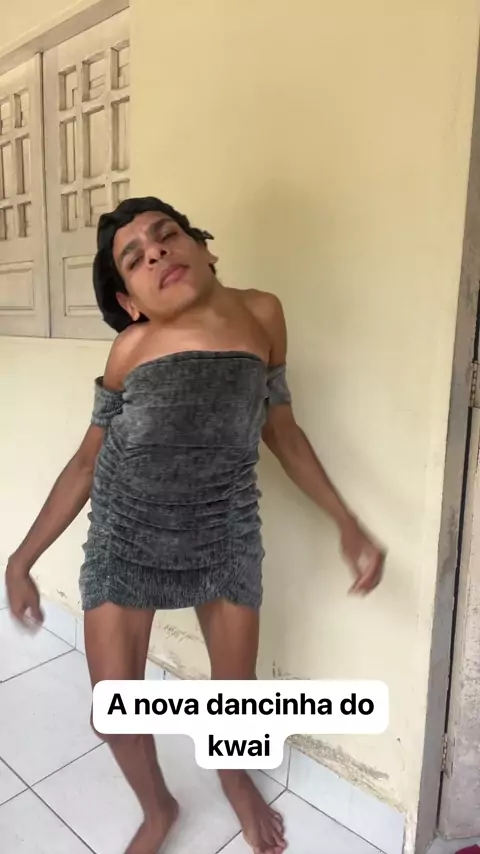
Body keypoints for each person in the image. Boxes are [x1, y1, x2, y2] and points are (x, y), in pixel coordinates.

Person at [5, 197, 385, 854]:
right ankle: (159, 808)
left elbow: (281, 429)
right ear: (130, 302)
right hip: (127, 536)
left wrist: (345, 520)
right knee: (113, 715)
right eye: (134, 258)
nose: (155, 251)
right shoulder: (130, 350)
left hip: (223, 532)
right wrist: (20, 560)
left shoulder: (263, 314)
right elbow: (87, 461)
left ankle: (234, 778)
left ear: (204, 249)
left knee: (234, 696)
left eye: (166, 235)